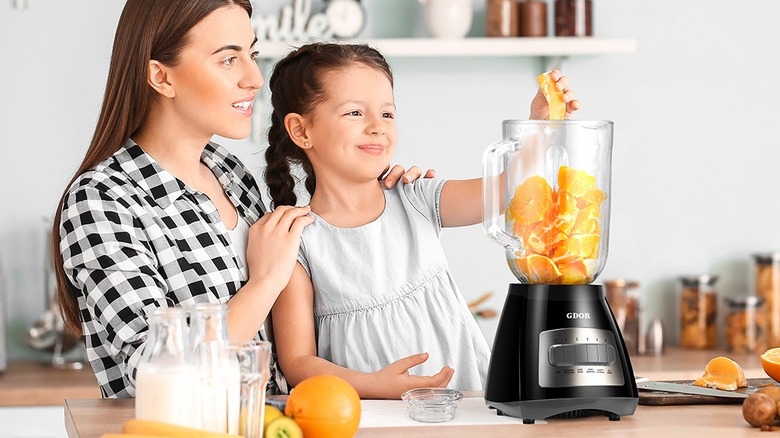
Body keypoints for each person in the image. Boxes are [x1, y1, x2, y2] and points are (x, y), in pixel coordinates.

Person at [52, 0, 434, 399]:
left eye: (251, 54)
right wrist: (265, 281)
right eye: (228, 59)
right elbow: (155, 373)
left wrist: (382, 197)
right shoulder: (103, 199)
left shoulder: (230, 174)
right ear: (161, 77)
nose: (253, 78)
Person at [265, 42, 580, 399]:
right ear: (301, 130)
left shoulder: (417, 196)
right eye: (354, 113)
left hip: (465, 411)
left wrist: (540, 124)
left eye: (387, 114)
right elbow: (298, 361)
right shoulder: (298, 242)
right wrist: (374, 386)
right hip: (372, 420)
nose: (376, 128)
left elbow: (508, 190)